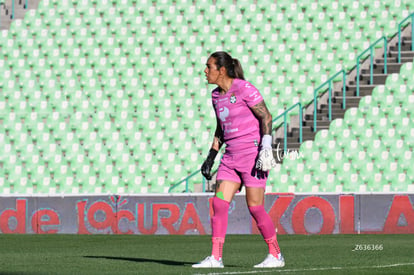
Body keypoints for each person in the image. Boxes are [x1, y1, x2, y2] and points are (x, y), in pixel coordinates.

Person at [192, 51, 284, 269]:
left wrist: (266, 147)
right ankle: (216, 257)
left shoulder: (244, 88)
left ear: (221, 70)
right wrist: (211, 157)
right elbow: (220, 128)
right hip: (230, 160)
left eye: (209, 67)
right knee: (219, 203)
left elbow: (266, 116)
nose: (205, 71)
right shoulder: (215, 96)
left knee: (255, 208)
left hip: (252, 158)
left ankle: (276, 254)